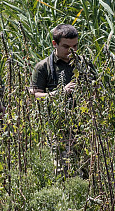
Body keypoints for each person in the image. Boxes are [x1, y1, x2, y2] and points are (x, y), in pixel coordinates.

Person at [31, 24, 96, 178]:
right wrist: (60, 93)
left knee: (89, 169)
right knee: (63, 172)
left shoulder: (85, 63)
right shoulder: (43, 67)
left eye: (75, 46)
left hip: (84, 125)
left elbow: (96, 88)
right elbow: (34, 95)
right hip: (58, 127)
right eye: (66, 47)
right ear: (55, 44)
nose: (71, 51)